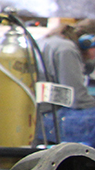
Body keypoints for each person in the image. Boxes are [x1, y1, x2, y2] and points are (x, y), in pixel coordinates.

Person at [37, 18, 95, 147]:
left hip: (42, 115)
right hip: (47, 117)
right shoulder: (66, 49)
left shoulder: (54, 41)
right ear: (88, 41)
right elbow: (77, 99)